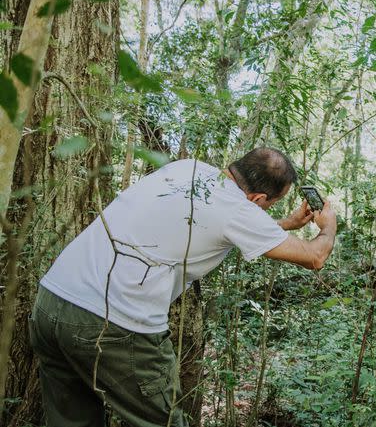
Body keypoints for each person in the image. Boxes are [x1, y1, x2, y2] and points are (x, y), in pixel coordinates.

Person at [29, 147, 336, 427]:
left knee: (71, 420)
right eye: (270, 206)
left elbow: (219, 223)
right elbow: (315, 256)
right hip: (113, 324)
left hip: (53, 299)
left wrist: (284, 223)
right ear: (256, 199)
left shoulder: (188, 168)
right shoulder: (237, 211)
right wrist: (328, 225)